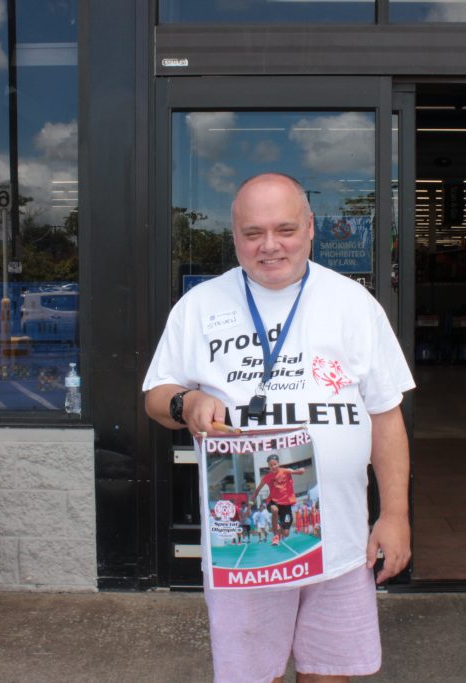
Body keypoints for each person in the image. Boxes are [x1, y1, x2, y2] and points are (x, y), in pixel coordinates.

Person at [143, 172, 415, 682]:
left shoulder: (354, 304)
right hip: (245, 547)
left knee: (331, 674)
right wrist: (190, 401)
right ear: (235, 237)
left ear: (311, 228)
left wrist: (395, 514)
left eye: (285, 229)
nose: (270, 245)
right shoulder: (199, 307)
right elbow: (156, 398)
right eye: (253, 233)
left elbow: (385, 414)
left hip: (341, 542)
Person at [253, 454, 305, 547]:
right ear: (268, 466)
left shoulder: (286, 471)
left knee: (286, 533)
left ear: (278, 464)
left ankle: (279, 529)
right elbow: (257, 490)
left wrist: (301, 470)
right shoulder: (267, 477)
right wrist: (250, 504)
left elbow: (298, 471)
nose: (273, 467)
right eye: (271, 465)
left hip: (286, 504)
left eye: (275, 464)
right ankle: (276, 536)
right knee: (274, 510)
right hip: (273, 501)